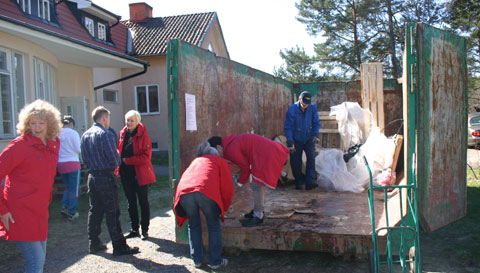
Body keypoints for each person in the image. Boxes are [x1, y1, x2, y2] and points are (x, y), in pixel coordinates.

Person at [0, 99, 62, 273]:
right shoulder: (19, 146)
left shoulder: (53, 144)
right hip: (20, 211)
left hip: (40, 210)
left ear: (49, 124)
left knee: (39, 260)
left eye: (41, 123)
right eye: (32, 123)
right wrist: (3, 209)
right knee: (36, 260)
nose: (37, 127)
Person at [80, 106, 139, 256]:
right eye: (108, 119)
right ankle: (119, 246)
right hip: (106, 176)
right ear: (104, 118)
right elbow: (115, 160)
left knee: (95, 210)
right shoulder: (105, 135)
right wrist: (117, 158)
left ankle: (94, 243)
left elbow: (84, 159)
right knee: (112, 211)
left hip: (92, 176)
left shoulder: (85, 135)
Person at [173, 141, 233, 269]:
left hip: (185, 192)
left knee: (193, 225)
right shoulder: (220, 162)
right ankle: (215, 261)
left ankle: (197, 260)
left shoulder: (196, 161)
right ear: (216, 154)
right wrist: (224, 207)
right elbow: (227, 188)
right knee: (213, 226)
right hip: (206, 192)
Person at [208, 133, 289, 227]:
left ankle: (258, 216)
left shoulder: (230, 149)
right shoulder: (229, 143)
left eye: (215, 153)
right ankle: (258, 211)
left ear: (218, 147)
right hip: (271, 151)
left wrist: (240, 183)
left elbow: (245, 168)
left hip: (267, 154)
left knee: (257, 184)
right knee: (257, 184)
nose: (216, 156)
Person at [116, 110, 156, 240]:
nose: (129, 123)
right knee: (130, 202)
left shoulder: (143, 134)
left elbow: (146, 157)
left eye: (132, 120)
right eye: (127, 120)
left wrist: (128, 160)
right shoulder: (122, 133)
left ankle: (145, 229)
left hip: (140, 173)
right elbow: (119, 150)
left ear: (137, 121)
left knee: (143, 201)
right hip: (126, 172)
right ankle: (134, 229)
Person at [284, 91, 321, 190]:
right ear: (299, 99)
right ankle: (299, 182)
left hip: (309, 139)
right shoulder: (292, 109)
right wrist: (290, 141)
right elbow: (288, 127)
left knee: (311, 159)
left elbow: (316, 122)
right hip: (296, 139)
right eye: (303, 104)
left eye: (307, 105)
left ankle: (310, 182)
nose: (305, 106)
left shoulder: (312, 108)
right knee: (295, 161)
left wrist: (316, 134)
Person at [58, 115, 82, 221]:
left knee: (67, 186)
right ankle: (72, 212)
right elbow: (78, 149)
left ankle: (64, 206)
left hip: (61, 164)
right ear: (71, 123)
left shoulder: (57, 134)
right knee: (74, 189)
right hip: (73, 163)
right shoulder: (73, 133)